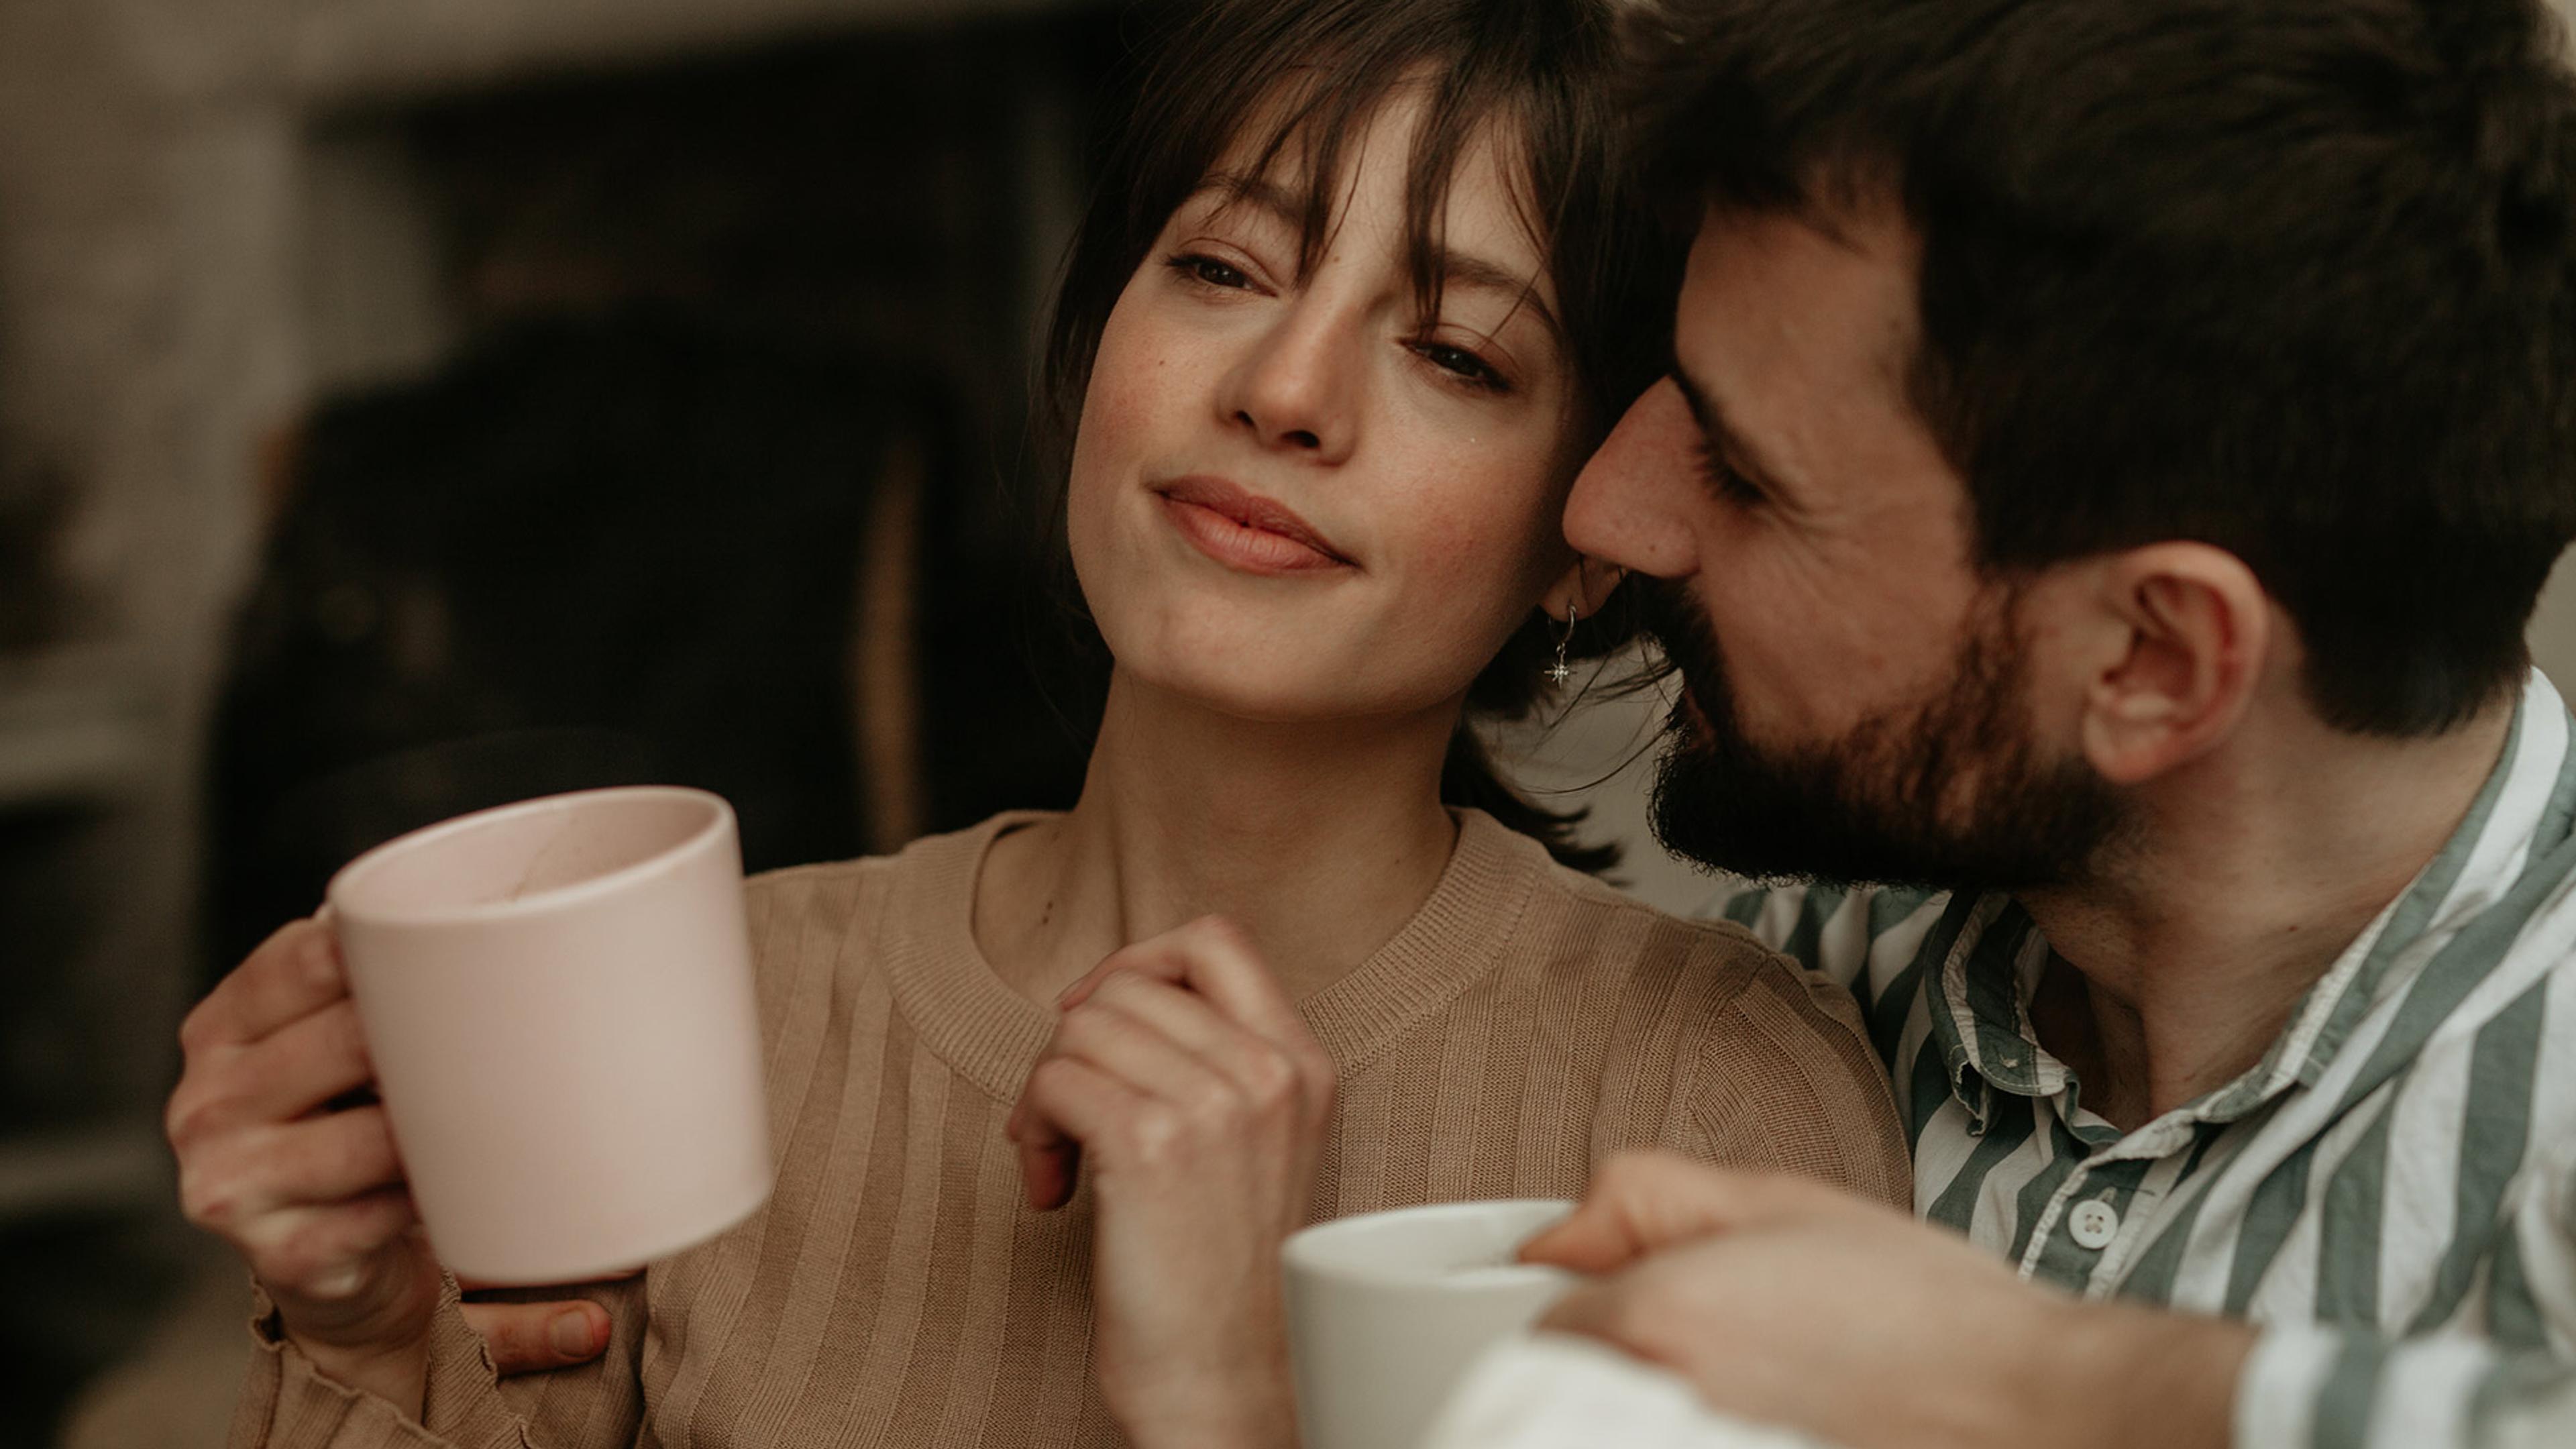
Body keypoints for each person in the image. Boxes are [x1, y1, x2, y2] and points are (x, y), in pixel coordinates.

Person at [165, 3, 1912, 1446]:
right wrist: (364, 1333)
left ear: (1586, 539)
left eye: (1457, 355)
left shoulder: (1712, 1103)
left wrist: (1225, 1389)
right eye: (1225, 268)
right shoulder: (721, 1010)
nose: (1284, 393)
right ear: (1094, 349)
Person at [1497, 0, 2576, 1446]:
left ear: (2152, 658)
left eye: (1747, 476)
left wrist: (2025, 1382)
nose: (1607, 513)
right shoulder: (1796, 987)